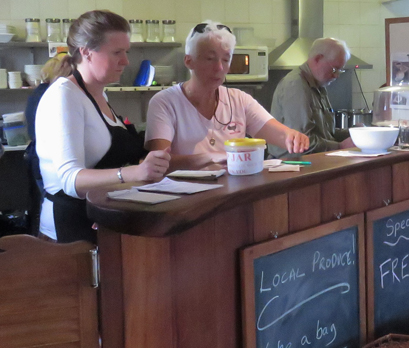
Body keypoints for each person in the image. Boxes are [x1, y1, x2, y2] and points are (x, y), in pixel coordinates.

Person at [36, 10, 170, 243]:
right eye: (117, 52)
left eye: (126, 52)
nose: (126, 61)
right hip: (70, 232)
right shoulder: (64, 96)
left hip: (100, 220)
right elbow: (71, 180)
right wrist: (134, 173)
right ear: (87, 52)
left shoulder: (99, 96)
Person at [145, 22, 308, 168]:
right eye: (210, 59)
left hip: (231, 190)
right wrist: (211, 158)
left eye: (225, 60)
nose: (219, 68)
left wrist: (292, 137)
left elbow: (278, 133)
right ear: (189, 61)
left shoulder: (239, 99)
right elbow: (159, 161)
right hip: (183, 194)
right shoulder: (164, 102)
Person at [268, 38, 355, 159]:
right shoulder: (296, 86)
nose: (336, 76)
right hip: (292, 167)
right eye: (334, 69)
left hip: (311, 163)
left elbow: (326, 134)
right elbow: (301, 143)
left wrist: (355, 133)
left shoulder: (318, 84)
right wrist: (339, 147)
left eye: (340, 70)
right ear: (317, 59)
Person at [25, 53, 73, 236]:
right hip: (45, 160)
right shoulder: (55, 94)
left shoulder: (38, 92)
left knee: (43, 205)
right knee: (51, 207)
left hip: (35, 155)